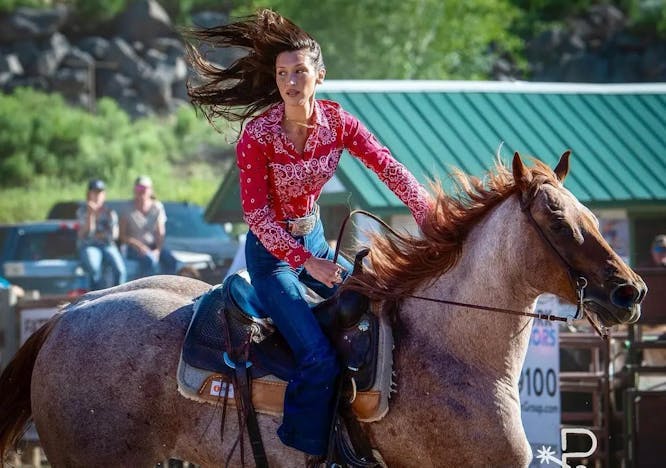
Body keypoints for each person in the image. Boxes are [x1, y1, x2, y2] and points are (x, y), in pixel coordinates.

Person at [186, 10, 432, 457]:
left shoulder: (340, 124)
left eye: (299, 71)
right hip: (271, 257)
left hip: (315, 239)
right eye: (282, 74)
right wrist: (307, 262)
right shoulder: (256, 136)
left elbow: (386, 164)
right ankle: (310, 450)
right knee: (317, 357)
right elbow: (257, 217)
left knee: (375, 307)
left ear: (320, 75)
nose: (290, 82)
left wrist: (427, 211)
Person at [119, 176, 177, 277]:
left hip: (153, 245)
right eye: (139, 188)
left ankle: (168, 288)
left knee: (171, 261)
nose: (141, 191)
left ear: (150, 190)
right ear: (134, 190)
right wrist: (139, 246)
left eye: (144, 188)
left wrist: (158, 250)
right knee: (149, 260)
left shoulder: (157, 207)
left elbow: (160, 232)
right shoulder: (127, 208)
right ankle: (146, 290)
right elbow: (122, 236)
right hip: (134, 247)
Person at [77, 179, 126, 290]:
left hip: (107, 245)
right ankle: (95, 298)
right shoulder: (82, 211)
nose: (98, 195)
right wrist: (91, 215)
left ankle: (119, 295)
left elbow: (114, 235)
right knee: (94, 268)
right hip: (90, 245)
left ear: (104, 195)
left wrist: (98, 235)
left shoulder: (110, 212)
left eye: (100, 192)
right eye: (95, 192)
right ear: (89, 194)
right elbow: (86, 234)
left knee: (120, 270)